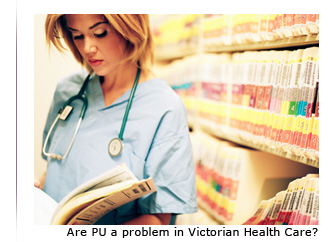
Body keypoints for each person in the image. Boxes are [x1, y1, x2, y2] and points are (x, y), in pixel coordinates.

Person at [35, 14, 197, 225]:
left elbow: (158, 218)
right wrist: (37, 192)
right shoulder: (67, 92)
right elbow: (59, 167)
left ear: (130, 27)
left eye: (100, 33)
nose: (87, 48)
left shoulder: (164, 108)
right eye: (77, 36)